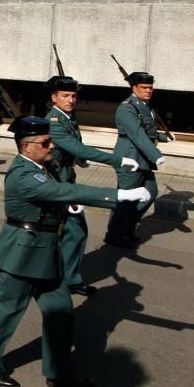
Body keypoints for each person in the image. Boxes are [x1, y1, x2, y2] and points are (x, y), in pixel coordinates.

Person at [0, 116, 150, 387]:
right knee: (7, 311)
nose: (51, 146)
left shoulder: (43, 166)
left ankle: (58, 372)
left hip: (47, 253)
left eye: (50, 140)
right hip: (22, 254)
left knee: (61, 313)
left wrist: (66, 207)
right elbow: (62, 190)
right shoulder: (23, 173)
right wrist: (119, 195)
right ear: (26, 146)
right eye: (45, 142)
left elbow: (56, 195)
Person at [43, 75, 138, 296]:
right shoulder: (54, 121)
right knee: (72, 231)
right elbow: (80, 148)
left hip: (66, 178)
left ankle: (62, 277)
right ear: (54, 97)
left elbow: (74, 149)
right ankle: (64, 280)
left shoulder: (67, 118)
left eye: (74, 96)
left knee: (68, 232)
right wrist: (119, 160)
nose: (71, 100)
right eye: (65, 96)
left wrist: (78, 159)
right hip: (58, 183)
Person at [105, 71, 172, 249]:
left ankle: (127, 228)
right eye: (144, 87)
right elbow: (137, 134)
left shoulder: (144, 105)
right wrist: (156, 154)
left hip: (142, 160)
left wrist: (166, 137)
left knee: (150, 193)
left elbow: (148, 131)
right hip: (130, 159)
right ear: (134, 88)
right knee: (126, 200)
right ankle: (115, 234)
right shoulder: (127, 108)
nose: (148, 90)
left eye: (150, 87)